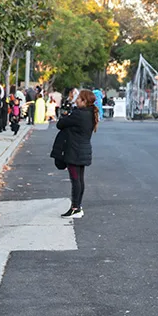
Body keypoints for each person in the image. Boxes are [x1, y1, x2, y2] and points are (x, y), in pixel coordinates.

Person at [55, 89, 98, 219]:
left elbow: (60, 124)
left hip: (74, 151)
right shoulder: (90, 114)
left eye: (79, 98)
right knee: (79, 179)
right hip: (83, 150)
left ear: (84, 101)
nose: (77, 100)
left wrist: (67, 114)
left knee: (75, 180)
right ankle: (78, 206)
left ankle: (75, 208)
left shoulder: (78, 114)